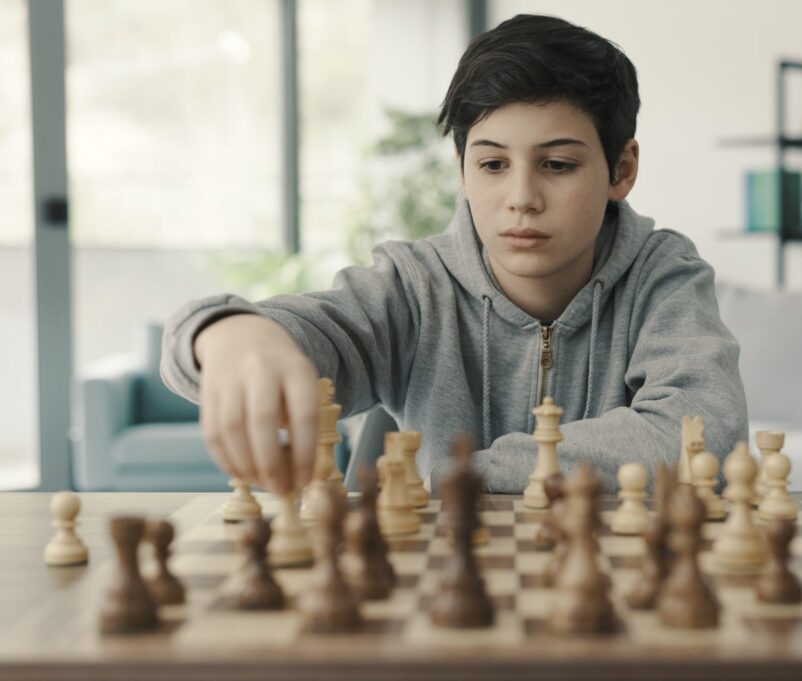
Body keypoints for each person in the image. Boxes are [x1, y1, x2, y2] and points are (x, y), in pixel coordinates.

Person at [161, 13, 748, 495]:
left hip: (614, 594)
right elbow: (295, 338)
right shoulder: (412, 286)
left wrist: (469, 475)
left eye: (558, 165)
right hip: (444, 598)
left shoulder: (664, 275)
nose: (521, 199)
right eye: (493, 164)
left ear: (621, 170)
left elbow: (703, 435)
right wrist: (223, 331)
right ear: (463, 172)